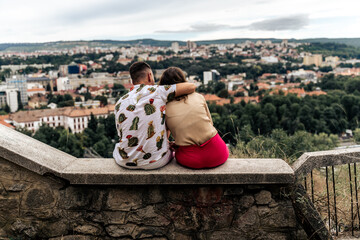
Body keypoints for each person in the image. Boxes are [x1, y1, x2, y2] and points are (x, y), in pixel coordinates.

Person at [113, 62, 196, 170]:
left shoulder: (120, 102)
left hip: (124, 161)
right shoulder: (158, 91)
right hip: (155, 162)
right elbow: (191, 86)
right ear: (149, 76)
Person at [159, 67, 229, 169]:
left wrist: (180, 143)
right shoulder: (198, 97)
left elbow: (165, 137)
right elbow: (210, 123)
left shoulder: (164, 108)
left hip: (190, 159)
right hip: (218, 153)